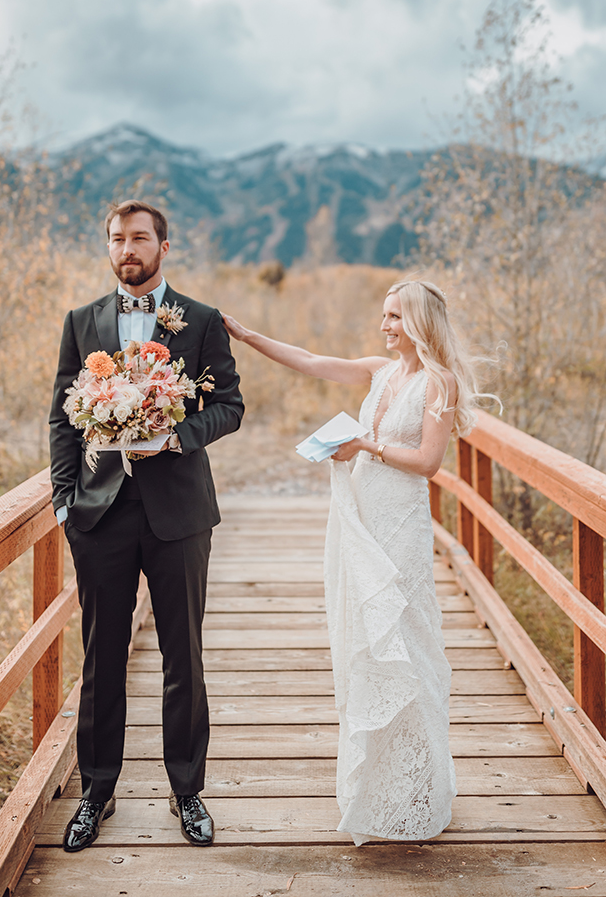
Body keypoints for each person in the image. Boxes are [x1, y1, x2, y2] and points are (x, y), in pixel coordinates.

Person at [223, 279, 487, 845]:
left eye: (395, 317)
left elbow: (429, 463)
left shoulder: (438, 382)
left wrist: (365, 446)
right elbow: (313, 361)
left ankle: (419, 788)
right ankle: (377, 785)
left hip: (399, 525)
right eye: (384, 315)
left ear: (418, 321)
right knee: (365, 642)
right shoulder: (380, 371)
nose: (385, 325)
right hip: (360, 517)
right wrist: (246, 335)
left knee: (406, 642)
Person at [49, 199, 243, 852]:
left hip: (180, 513)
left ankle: (187, 792)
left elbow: (230, 406)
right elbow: (61, 418)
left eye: (139, 237)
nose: (127, 248)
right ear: (108, 248)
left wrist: (178, 437)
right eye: (116, 238)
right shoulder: (82, 323)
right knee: (101, 659)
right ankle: (95, 792)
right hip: (99, 514)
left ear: (163, 245)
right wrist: (63, 501)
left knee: (181, 656)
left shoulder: (201, 321)